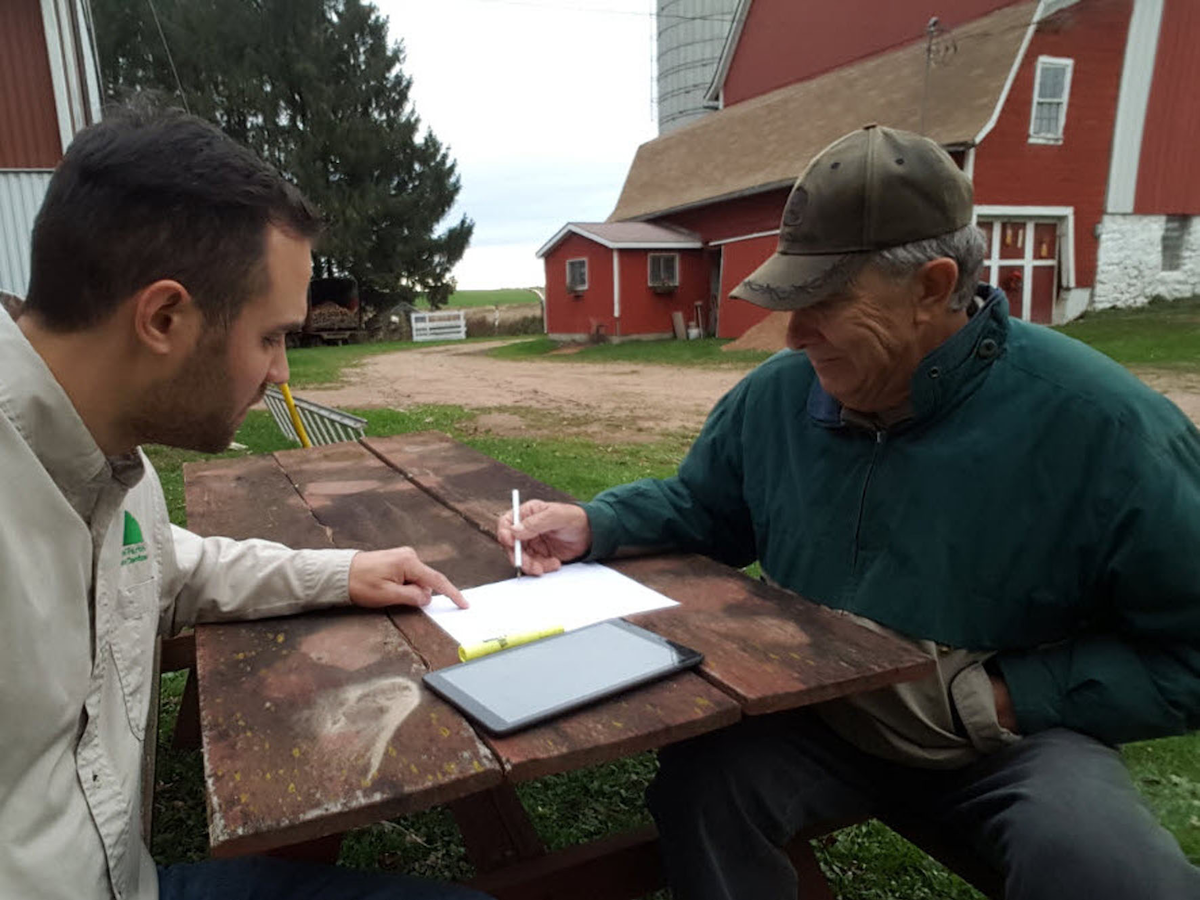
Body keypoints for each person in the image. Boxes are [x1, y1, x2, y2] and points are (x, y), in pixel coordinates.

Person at [497, 125, 1200, 899]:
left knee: (1117, 874)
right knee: (704, 786)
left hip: (1012, 743)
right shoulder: (778, 394)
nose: (793, 336)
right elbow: (707, 506)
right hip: (819, 715)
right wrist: (598, 525)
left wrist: (1006, 697)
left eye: (822, 303)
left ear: (932, 288)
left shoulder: (1107, 429)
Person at [0, 106, 489, 900]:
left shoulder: (112, 463)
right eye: (271, 337)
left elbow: (171, 566)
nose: (283, 375)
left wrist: (343, 571)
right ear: (164, 318)